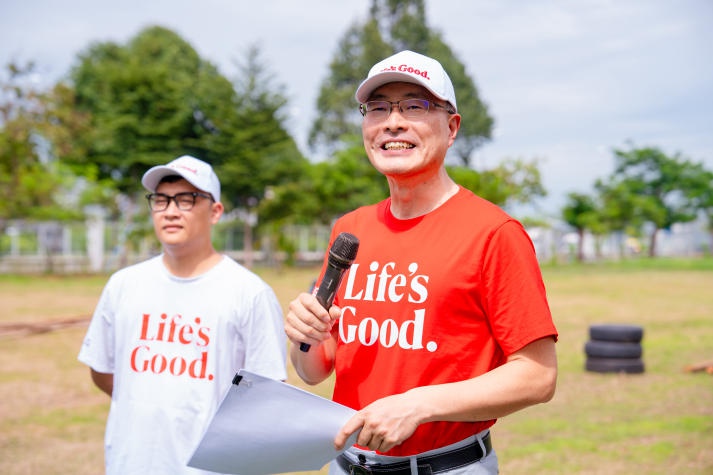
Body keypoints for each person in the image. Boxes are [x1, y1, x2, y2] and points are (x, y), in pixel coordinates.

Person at [284, 50, 558, 475]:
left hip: (444, 467)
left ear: (451, 128)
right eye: (378, 108)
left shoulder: (493, 233)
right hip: (345, 464)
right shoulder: (350, 229)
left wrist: (420, 405)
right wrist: (306, 336)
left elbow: (537, 376)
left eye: (415, 105)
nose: (393, 121)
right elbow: (315, 369)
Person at [78, 155, 287, 475]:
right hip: (129, 463)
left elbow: (265, 397)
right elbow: (103, 370)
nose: (171, 210)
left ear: (215, 211)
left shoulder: (249, 293)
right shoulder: (124, 285)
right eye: (161, 200)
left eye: (186, 199)